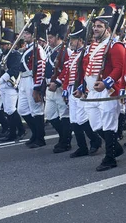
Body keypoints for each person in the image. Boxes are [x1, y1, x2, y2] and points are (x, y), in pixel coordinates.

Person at [81, 4, 126, 171]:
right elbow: (86, 68)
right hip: (92, 91)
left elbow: (119, 68)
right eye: (95, 26)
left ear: (108, 28)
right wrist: (83, 86)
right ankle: (116, 148)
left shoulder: (115, 45)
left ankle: (110, 158)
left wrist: (106, 83)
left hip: (107, 91)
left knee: (108, 125)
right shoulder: (93, 46)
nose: (95, 29)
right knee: (95, 124)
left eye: (99, 26)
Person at [58, 18, 102, 158]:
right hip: (72, 90)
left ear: (80, 40)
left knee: (83, 120)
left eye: (73, 39)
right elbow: (67, 73)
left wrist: (83, 89)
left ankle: (95, 140)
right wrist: (65, 88)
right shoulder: (73, 54)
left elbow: (85, 73)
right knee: (74, 121)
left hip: (81, 90)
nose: (71, 42)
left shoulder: (86, 53)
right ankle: (82, 147)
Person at [18, 13, 49, 148]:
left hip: (32, 80)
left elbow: (41, 68)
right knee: (23, 109)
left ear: (33, 35)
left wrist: (37, 87)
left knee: (37, 110)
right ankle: (35, 133)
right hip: (24, 80)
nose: (24, 36)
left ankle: (40, 137)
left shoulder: (38, 49)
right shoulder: (29, 48)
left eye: (27, 34)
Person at [0, 28, 25, 142]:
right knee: (7, 110)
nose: (3, 46)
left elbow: (13, 71)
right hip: (4, 87)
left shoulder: (15, 55)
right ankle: (13, 132)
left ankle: (19, 131)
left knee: (11, 110)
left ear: (11, 45)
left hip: (11, 85)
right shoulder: (1, 56)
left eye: (5, 44)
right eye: (2, 44)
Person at [45, 11, 72, 153]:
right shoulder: (50, 50)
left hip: (59, 87)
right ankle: (63, 136)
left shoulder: (65, 51)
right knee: (49, 114)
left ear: (57, 36)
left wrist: (59, 83)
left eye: (50, 37)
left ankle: (65, 141)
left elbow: (67, 69)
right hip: (49, 86)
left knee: (64, 115)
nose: (48, 40)